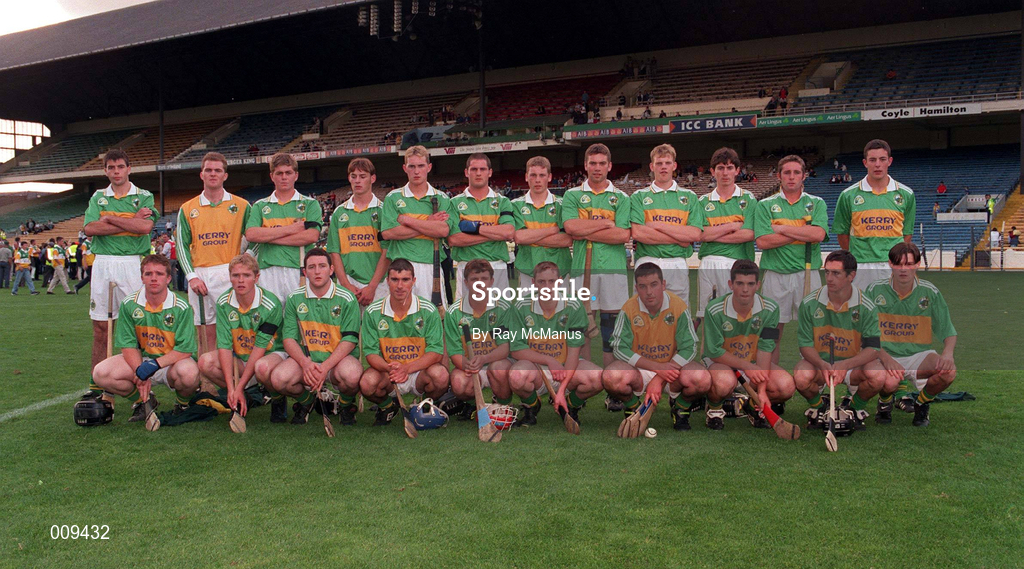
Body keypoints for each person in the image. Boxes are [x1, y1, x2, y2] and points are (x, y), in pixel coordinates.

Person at [81, 149, 158, 401]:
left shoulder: (143, 195)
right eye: (111, 168)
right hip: (103, 263)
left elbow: (144, 227)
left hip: (132, 264)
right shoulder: (98, 197)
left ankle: (142, 387)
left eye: (120, 167)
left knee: (139, 326)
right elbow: (90, 228)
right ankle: (97, 386)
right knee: (101, 327)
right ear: (105, 170)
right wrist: (129, 221)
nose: (116, 172)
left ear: (129, 168)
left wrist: (112, 218)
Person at [91, 254, 199, 426]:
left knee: (190, 374)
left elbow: (186, 349)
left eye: (159, 274)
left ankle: (182, 405)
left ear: (168, 278)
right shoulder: (129, 304)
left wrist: (154, 366)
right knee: (100, 373)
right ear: (142, 278)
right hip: (141, 360)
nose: (153, 278)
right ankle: (144, 402)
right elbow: (128, 345)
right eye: (148, 274)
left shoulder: (181, 307)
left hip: (170, 363)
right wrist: (139, 371)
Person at [603, 263, 710, 431]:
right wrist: (657, 368)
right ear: (637, 288)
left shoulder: (678, 306)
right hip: (639, 370)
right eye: (643, 287)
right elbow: (618, 348)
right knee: (611, 376)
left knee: (701, 378)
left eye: (654, 285)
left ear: (663, 284)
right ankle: (632, 407)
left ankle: (680, 408)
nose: (649, 292)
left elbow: (689, 348)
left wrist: (660, 377)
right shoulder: (628, 309)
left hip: (671, 371)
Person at [865, 243, 957, 427]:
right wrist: (886, 358)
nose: (903, 270)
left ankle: (922, 403)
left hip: (918, 356)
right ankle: (884, 404)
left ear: (917, 264)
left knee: (948, 373)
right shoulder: (874, 290)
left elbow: (948, 331)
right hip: (885, 355)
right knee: (889, 382)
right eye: (899, 264)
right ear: (890, 264)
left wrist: (948, 354)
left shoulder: (930, 292)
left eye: (908, 264)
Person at [793, 250, 885, 431]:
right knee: (801, 376)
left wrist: (845, 364)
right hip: (821, 366)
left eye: (836, 273)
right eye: (827, 272)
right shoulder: (809, 303)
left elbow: (873, 348)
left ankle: (854, 408)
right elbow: (805, 345)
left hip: (853, 367)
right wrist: (821, 363)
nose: (829, 278)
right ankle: (819, 409)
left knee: (878, 375)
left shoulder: (866, 306)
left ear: (851, 275)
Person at [506, 261, 604, 427]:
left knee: (598, 378)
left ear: (559, 282)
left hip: (566, 367)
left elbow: (574, 351)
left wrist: (561, 389)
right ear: (533, 283)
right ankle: (532, 406)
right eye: (541, 282)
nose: (546, 287)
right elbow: (516, 350)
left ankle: (570, 405)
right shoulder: (521, 306)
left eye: (552, 281)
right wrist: (549, 360)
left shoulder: (573, 305)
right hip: (535, 369)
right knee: (516, 376)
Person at [559, 143, 631, 366]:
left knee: (611, 328)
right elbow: (571, 228)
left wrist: (587, 229)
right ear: (585, 165)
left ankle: (612, 381)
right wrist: (605, 225)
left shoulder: (621, 198)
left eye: (602, 163)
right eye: (593, 163)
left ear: (609, 166)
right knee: (584, 326)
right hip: (582, 270)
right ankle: (586, 375)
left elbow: (621, 236)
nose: (597, 168)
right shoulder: (572, 195)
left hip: (614, 271)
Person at [272, 249, 362, 426]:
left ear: (331, 270)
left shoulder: (347, 298)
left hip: (337, 362)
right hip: (308, 362)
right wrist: (305, 363)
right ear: (305, 272)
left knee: (352, 375)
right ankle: (307, 402)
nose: (317, 271)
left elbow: (350, 340)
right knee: (279, 379)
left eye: (322, 266)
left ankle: (345, 405)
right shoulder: (294, 298)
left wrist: (325, 367)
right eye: (311, 267)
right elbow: (288, 339)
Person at [701, 260, 795, 429]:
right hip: (721, 363)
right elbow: (714, 351)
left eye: (750, 284)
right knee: (723, 383)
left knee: (786, 386)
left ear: (758, 285)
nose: (745, 289)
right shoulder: (714, 309)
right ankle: (714, 408)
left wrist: (762, 390)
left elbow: (766, 348)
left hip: (752, 363)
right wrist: (747, 366)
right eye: (740, 283)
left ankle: (752, 406)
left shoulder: (771, 309)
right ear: (731, 284)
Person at [753, 155, 828, 365]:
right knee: (771, 333)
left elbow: (818, 235)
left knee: (813, 332)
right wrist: (803, 231)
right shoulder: (765, 205)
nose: (792, 177)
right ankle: (773, 384)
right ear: (779, 176)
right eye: (787, 172)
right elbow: (764, 242)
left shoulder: (816, 203)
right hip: (776, 274)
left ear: (804, 176)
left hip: (808, 274)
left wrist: (782, 228)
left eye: (796, 172)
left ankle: (813, 386)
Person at [177, 152, 252, 358]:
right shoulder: (187, 208)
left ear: (225, 176)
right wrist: (191, 276)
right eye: (208, 170)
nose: (213, 174)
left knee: (236, 330)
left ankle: (240, 382)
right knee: (205, 332)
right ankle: (207, 382)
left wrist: (245, 265)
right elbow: (182, 246)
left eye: (217, 170)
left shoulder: (242, 205)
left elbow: (255, 237)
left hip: (230, 272)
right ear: (201, 174)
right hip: (200, 274)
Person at [359, 258, 449, 426]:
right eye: (395, 280)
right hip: (390, 373)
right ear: (387, 281)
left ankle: (422, 405)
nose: (400, 286)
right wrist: (389, 368)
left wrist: (407, 368)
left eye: (405, 280)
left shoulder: (428, 310)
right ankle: (388, 406)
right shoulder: (372, 312)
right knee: (367, 383)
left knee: (441, 375)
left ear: (413, 281)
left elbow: (436, 352)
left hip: (418, 372)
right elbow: (370, 353)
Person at [198, 254, 287, 421]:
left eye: (246, 275)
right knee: (205, 362)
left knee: (261, 367)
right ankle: (242, 396)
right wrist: (232, 388)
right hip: (241, 358)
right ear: (230, 277)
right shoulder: (224, 303)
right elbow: (224, 346)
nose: (240, 280)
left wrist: (239, 385)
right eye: (236, 275)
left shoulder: (270, 304)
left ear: (256, 277)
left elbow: (260, 347)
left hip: (269, 355)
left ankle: (277, 398)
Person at [380, 146, 459, 307]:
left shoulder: (441, 198)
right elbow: (389, 233)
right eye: (412, 166)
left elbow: (443, 230)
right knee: (401, 320)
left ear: (429, 167)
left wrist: (408, 221)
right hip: (400, 268)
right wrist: (429, 223)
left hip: (431, 266)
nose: (416, 171)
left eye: (421, 166)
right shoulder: (393, 198)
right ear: (405, 168)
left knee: (432, 319)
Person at [833, 140, 915, 290]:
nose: (877, 164)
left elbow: (907, 234)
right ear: (865, 163)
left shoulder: (906, 194)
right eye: (872, 160)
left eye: (882, 159)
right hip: (861, 265)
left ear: (889, 161)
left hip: (892, 264)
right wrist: (856, 257)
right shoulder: (848, 195)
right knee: (862, 310)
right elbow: (842, 233)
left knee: (892, 311)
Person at [244, 153, 323, 306]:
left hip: (299, 269)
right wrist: (292, 229)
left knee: (300, 322)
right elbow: (251, 234)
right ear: (272, 176)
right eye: (279, 173)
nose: (284, 177)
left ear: (296, 175)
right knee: (271, 322)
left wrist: (268, 236)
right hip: (268, 270)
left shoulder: (310, 204)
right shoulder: (260, 205)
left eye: (288, 173)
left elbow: (311, 236)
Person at [630, 143, 704, 302]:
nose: (663, 167)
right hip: (647, 261)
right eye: (659, 163)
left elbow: (695, 234)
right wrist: (680, 238)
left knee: (677, 316)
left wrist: (656, 225)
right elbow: (638, 233)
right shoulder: (639, 196)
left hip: (676, 263)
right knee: (644, 317)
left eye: (667, 163)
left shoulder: (689, 197)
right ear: (651, 166)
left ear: (674, 165)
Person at [443, 259, 515, 420]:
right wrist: (466, 364)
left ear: (492, 281)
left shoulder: (503, 308)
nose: (479, 284)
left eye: (484, 279)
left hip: (495, 362)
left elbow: (505, 348)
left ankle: (504, 405)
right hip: (471, 366)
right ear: (465, 282)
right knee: (458, 381)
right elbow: (454, 353)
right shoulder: (453, 312)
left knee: (499, 368)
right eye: (474, 279)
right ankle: (474, 406)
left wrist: (484, 359)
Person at [696, 147, 756, 320]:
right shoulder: (702, 202)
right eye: (720, 168)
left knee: (740, 318)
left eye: (730, 168)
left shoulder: (749, 199)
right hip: (709, 264)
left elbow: (749, 234)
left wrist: (714, 234)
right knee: (709, 318)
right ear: (713, 172)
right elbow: (700, 235)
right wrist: (733, 225)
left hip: (739, 264)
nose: (725, 173)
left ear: (737, 170)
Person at [449, 153, 515, 300]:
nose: (478, 173)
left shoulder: (503, 201)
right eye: (474, 169)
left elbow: (509, 232)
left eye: (482, 169)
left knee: (499, 319)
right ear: (466, 172)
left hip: (496, 267)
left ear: (490, 172)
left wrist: (474, 228)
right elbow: (454, 239)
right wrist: (493, 234)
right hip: (466, 267)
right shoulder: (453, 203)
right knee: (467, 318)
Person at [328, 158, 390, 306]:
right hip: (349, 283)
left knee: (379, 328)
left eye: (362, 177)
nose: (357, 181)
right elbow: (334, 252)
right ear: (349, 178)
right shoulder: (339, 213)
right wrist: (345, 284)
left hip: (378, 284)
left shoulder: (383, 211)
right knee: (349, 329)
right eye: (353, 176)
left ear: (372, 178)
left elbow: (387, 251)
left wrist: (372, 287)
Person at [511, 156, 572, 288]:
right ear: (526, 177)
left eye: (542, 175)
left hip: (559, 272)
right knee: (529, 309)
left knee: (561, 308)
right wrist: (553, 230)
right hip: (528, 272)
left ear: (549, 177)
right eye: (533, 175)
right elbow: (519, 237)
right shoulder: (515, 205)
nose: (537, 180)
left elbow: (567, 240)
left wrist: (530, 237)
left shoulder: (563, 204)